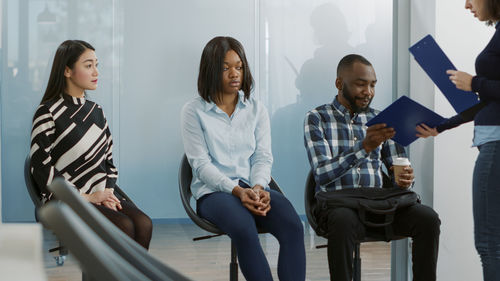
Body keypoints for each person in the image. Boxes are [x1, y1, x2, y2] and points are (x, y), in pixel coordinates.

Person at [304, 54, 441, 281]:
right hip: (338, 205)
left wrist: (405, 179)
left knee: (428, 219)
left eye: (373, 84)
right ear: (340, 84)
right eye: (360, 84)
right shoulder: (317, 118)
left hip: (378, 206)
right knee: (343, 221)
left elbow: (398, 168)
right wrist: (364, 147)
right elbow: (322, 173)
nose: (368, 91)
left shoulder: (382, 119)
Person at [181, 36, 305, 281]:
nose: (234, 73)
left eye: (239, 66)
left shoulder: (257, 109)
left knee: (292, 225)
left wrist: (258, 187)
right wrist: (236, 191)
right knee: (243, 227)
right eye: (225, 68)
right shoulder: (193, 111)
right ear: (210, 71)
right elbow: (201, 166)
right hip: (214, 193)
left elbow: (262, 156)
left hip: (253, 187)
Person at [30, 40, 152, 249]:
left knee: (143, 223)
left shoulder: (96, 111)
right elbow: (41, 169)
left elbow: (109, 162)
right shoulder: (48, 113)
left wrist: (106, 193)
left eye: (97, 65)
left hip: (99, 192)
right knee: (123, 225)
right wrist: (87, 197)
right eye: (88, 65)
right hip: (66, 200)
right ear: (67, 71)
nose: (96, 72)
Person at [416, 1, 500, 280]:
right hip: (492, 140)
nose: (466, 5)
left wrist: (474, 83)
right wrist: (442, 126)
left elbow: (484, 91)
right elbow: (489, 100)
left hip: (496, 145)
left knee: (489, 243)